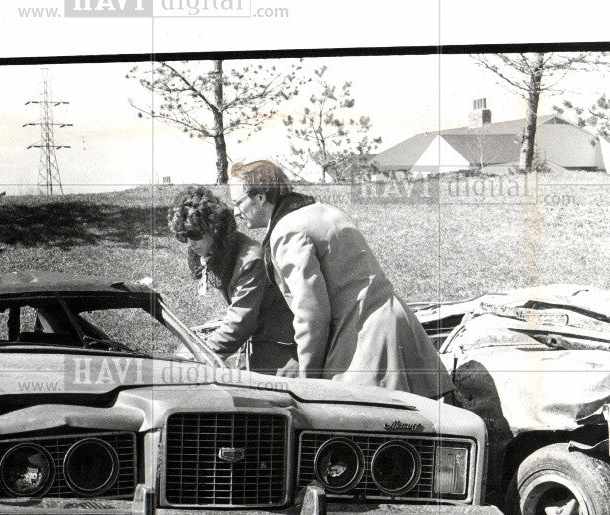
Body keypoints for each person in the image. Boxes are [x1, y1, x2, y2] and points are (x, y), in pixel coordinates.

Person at [228, 160, 453, 399]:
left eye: (237, 202)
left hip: (364, 343)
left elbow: (311, 314)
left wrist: (306, 380)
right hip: (398, 326)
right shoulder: (324, 211)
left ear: (260, 197)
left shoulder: (287, 232)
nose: (235, 211)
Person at [168, 186, 297, 375]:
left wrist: (197, 356)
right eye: (183, 236)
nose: (190, 243)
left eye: (194, 234)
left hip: (280, 352)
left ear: (215, 228)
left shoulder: (249, 260)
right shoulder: (220, 252)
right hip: (255, 342)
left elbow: (240, 323)